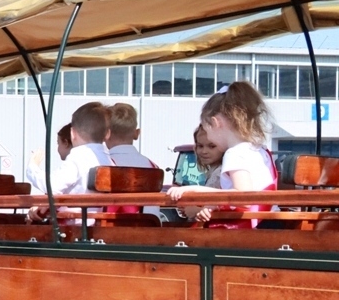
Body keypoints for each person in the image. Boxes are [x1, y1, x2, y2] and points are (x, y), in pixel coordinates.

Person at [168, 82, 277, 226]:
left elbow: (242, 197)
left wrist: (192, 189)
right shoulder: (259, 150)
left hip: (247, 227)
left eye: (207, 131)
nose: (209, 136)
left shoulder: (235, 153)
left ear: (215, 122)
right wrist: (213, 205)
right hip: (267, 221)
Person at [28, 103, 114, 222]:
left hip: (74, 227)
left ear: (72, 134)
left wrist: (32, 167)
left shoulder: (78, 157)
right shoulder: (109, 160)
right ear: (107, 134)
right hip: (100, 224)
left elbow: (52, 185)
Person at [105, 103, 160, 214]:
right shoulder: (153, 168)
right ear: (136, 134)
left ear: (106, 134)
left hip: (109, 229)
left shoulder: (102, 165)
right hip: (148, 227)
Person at [178, 124, 225, 219]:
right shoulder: (213, 171)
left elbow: (225, 204)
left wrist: (195, 210)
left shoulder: (221, 173)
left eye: (211, 146)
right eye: (200, 146)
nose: (204, 151)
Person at [25, 124, 72, 194]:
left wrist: (32, 166)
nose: (57, 149)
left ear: (66, 143)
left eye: (58, 143)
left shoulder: (73, 163)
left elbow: (51, 185)